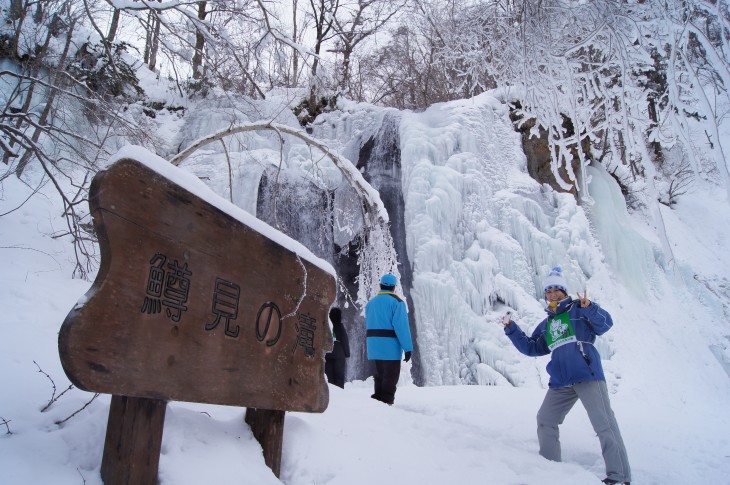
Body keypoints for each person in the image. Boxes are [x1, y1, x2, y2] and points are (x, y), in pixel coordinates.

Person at [502, 266, 631, 485]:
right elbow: (532, 348)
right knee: (545, 420)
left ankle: (619, 477)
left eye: (556, 290)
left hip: (587, 375)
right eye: (548, 291)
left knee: (604, 425)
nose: (552, 294)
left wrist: (590, 308)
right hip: (561, 381)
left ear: (564, 291)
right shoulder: (547, 324)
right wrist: (511, 329)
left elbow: (605, 324)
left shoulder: (579, 310)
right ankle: (549, 469)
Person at [365, 273, 413, 405]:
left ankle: (377, 399)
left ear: (381, 285)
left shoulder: (371, 304)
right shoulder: (397, 303)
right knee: (391, 376)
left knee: (380, 374)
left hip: (374, 346)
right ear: (394, 287)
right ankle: (386, 401)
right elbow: (402, 327)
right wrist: (408, 348)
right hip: (390, 347)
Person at [325, 307, 350, 388]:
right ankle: (340, 394)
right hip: (339, 355)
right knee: (339, 376)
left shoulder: (326, 326)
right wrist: (347, 353)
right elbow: (345, 340)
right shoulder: (340, 326)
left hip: (327, 354)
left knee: (329, 376)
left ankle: (331, 393)